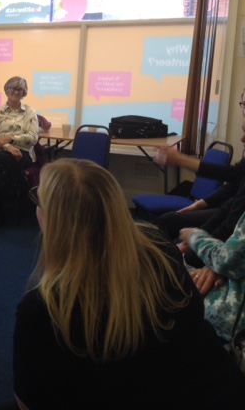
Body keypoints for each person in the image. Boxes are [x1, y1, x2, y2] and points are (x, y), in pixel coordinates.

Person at [13, 158, 245, 409]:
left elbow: (29, 402)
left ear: (51, 219)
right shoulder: (162, 253)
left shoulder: (42, 309)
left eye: (38, 199)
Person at [153, 117, 245, 268]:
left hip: (232, 226)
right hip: (227, 212)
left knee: (190, 258)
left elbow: (232, 220)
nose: (242, 139)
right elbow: (235, 187)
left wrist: (197, 241)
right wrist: (202, 205)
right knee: (168, 220)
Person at [0, 76, 40, 228]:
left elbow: (33, 138)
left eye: (19, 89)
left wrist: (11, 138)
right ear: (6, 90)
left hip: (23, 154)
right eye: (12, 88)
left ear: (24, 93)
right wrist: (9, 147)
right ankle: (18, 183)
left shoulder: (30, 112)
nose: (15, 91)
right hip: (0, 154)